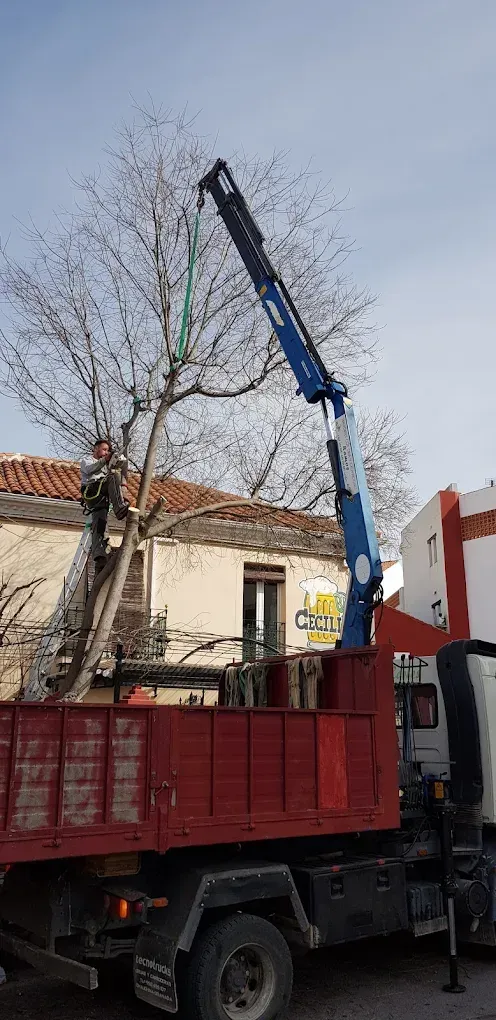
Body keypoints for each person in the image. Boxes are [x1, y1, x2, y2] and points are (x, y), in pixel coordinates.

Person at [80, 439, 130, 573]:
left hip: (101, 498)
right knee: (113, 477)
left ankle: (100, 557)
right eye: (104, 450)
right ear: (96, 449)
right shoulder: (87, 461)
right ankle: (119, 508)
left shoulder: (105, 466)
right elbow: (90, 469)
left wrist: (117, 462)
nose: (105, 453)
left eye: (107, 451)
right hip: (92, 491)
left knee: (100, 524)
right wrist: (105, 461)